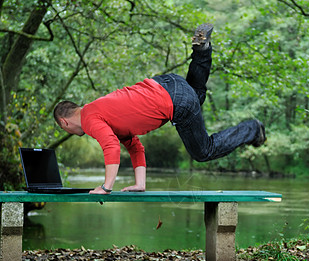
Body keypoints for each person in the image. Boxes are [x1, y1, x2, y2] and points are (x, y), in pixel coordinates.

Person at [53, 23, 266, 194]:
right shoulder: (101, 112)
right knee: (196, 96)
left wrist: (106, 187)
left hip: (175, 102)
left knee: (204, 151)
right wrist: (140, 184)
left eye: (65, 129)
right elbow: (134, 147)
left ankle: (253, 129)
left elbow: (111, 148)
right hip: (167, 83)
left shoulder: (89, 120)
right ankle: (202, 50)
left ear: (65, 122)